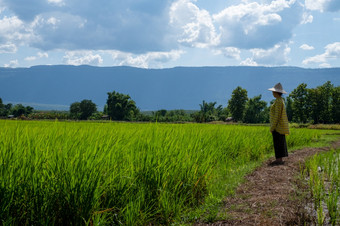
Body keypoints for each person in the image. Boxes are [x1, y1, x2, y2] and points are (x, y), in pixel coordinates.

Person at [268, 83, 289, 165]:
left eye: (273, 92)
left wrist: (272, 127)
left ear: (277, 93)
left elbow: (277, 116)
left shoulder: (278, 102)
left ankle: (279, 159)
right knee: (280, 141)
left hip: (278, 126)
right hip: (279, 125)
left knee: (278, 142)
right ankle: (279, 158)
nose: (272, 93)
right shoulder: (279, 101)